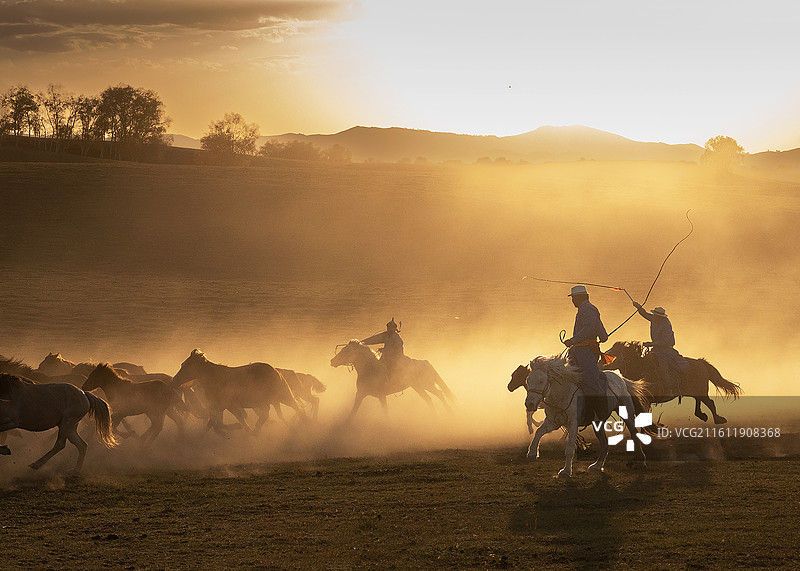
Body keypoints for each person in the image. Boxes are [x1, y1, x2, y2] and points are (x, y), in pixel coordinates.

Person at [562, 285, 610, 421]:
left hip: (585, 351)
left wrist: (573, 340)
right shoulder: (589, 309)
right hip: (581, 350)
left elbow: (589, 328)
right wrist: (603, 337)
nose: (572, 301)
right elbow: (600, 330)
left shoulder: (587, 309)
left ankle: (599, 412)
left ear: (579, 298)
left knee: (590, 378)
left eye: (573, 299)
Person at [632, 301, 689, 395]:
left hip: (666, 350)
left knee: (663, 367)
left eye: (656, 315)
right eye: (654, 315)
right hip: (656, 349)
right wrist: (638, 307)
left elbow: (664, 342)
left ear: (660, 317)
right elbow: (644, 314)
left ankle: (668, 388)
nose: (654, 316)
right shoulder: (654, 319)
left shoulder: (666, 324)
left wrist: (650, 344)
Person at [360, 318, 406, 386]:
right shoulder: (386, 335)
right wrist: (361, 343)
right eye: (388, 328)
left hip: (396, 359)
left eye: (390, 328)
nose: (389, 329)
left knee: (388, 369)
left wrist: (385, 350)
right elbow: (374, 339)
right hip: (385, 357)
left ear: (394, 329)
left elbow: (397, 350)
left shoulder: (397, 339)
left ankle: (389, 384)